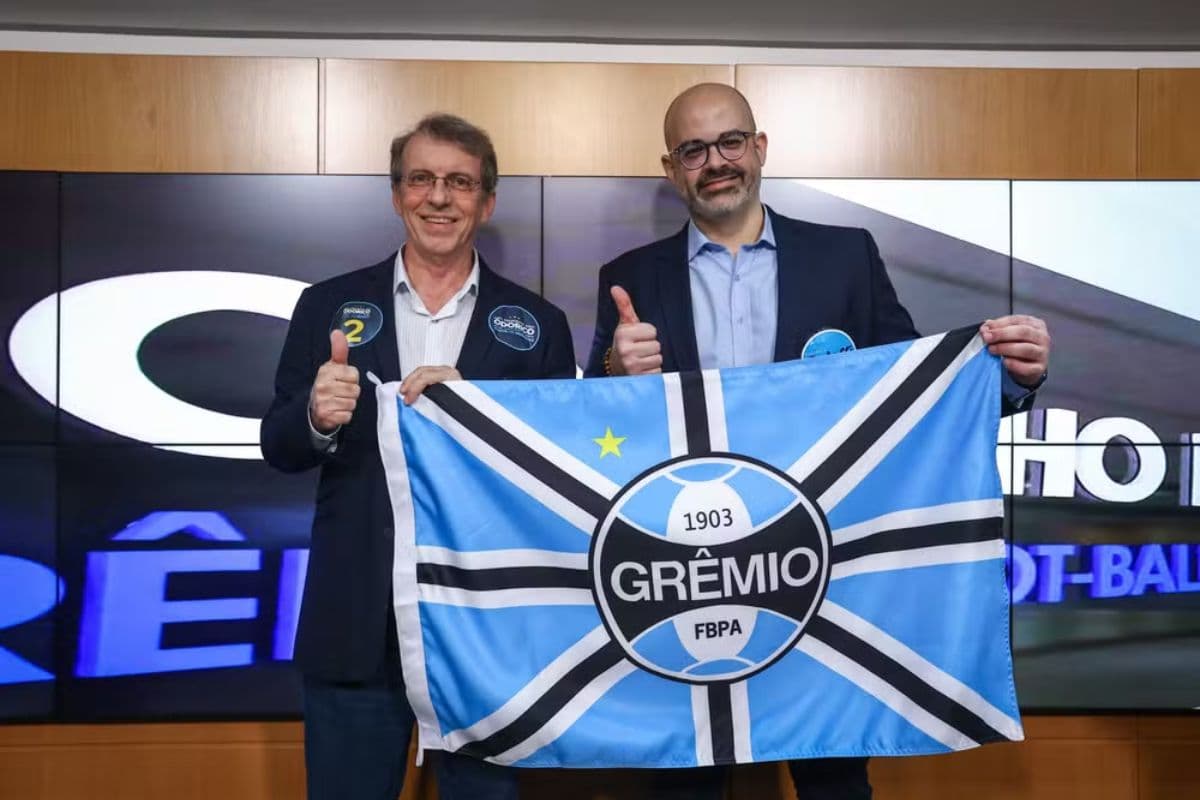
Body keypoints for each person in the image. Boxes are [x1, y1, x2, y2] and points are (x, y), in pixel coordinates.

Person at [584, 83, 1050, 799]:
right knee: (686, 780)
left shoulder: (845, 257)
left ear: (759, 148)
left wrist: (1006, 381)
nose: (716, 161)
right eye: (694, 149)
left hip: (820, 568)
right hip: (688, 568)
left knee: (833, 777)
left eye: (731, 141)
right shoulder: (629, 279)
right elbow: (592, 428)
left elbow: (910, 393)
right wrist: (617, 369)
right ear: (672, 167)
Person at [262, 113, 575, 800]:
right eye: (422, 179)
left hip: (487, 633)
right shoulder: (325, 308)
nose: (440, 197)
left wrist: (483, 412)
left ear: (486, 202)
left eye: (460, 182)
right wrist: (316, 415)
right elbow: (277, 446)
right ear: (397, 193)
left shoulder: (539, 327)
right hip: (356, 625)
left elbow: (557, 481)